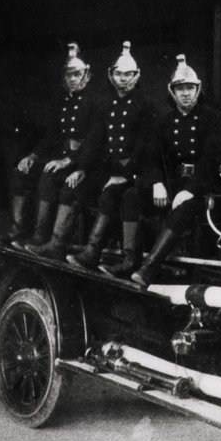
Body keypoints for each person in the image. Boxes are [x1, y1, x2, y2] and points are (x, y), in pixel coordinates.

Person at [123, 54, 221, 285]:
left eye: (190, 88)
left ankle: (150, 267)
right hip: (170, 183)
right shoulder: (163, 121)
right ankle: (129, 260)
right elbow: (151, 157)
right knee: (132, 196)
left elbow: (212, 160)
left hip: (201, 186)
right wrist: (157, 183)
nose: (186, 93)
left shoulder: (213, 119)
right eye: (180, 89)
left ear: (198, 90)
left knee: (184, 206)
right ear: (172, 91)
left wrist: (190, 190)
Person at [68, 41, 157, 270]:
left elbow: (144, 146)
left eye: (128, 74)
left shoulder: (145, 104)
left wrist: (126, 174)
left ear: (136, 76)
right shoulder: (105, 104)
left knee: (111, 194)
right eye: (119, 74)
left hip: (135, 172)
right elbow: (95, 140)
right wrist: (82, 168)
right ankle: (64, 244)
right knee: (80, 187)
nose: (123, 79)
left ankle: (97, 252)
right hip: (109, 169)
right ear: (111, 75)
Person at [20, 43, 106, 258]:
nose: (73, 79)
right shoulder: (63, 102)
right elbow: (52, 134)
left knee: (69, 187)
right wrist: (33, 155)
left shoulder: (97, 102)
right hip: (69, 161)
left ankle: (57, 245)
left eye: (77, 74)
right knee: (47, 177)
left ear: (86, 75)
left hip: (90, 165)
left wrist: (72, 162)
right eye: (69, 75)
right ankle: (40, 237)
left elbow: (95, 141)